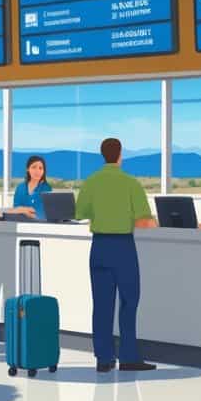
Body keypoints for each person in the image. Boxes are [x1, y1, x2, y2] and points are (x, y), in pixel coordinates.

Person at [75, 137, 158, 373]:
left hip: (99, 247)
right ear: (120, 154)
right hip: (123, 247)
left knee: (101, 304)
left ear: (103, 155)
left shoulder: (91, 182)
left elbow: (80, 213)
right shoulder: (130, 183)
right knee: (129, 302)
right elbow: (143, 221)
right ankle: (128, 357)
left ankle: (104, 359)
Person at [0, 155, 52, 220]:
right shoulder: (20, 187)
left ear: (44, 171)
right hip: (19, 220)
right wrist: (24, 210)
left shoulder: (46, 188)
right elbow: (16, 208)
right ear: (27, 169)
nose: (37, 171)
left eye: (41, 168)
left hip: (38, 223)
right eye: (34, 167)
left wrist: (22, 210)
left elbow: (41, 213)